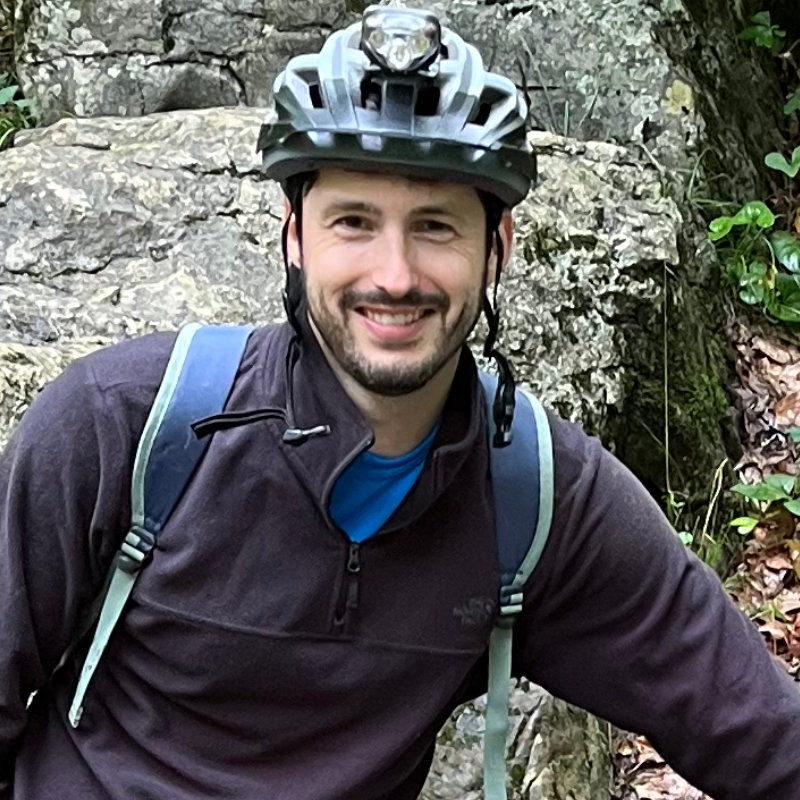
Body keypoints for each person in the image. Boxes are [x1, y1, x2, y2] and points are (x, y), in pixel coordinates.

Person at [1, 6, 799, 800]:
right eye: (353, 221)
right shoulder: (124, 427)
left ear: (499, 248)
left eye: (436, 226)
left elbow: (756, 730)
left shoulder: (540, 499)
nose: (395, 274)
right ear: (294, 238)